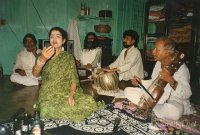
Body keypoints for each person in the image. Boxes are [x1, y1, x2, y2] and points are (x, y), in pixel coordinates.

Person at [32, 27, 104, 122]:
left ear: (63, 40)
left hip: (67, 90)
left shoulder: (68, 57)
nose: (54, 39)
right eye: (51, 36)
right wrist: (42, 60)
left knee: (89, 102)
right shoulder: (42, 54)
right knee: (46, 109)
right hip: (49, 92)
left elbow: (74, 79)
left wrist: (71, 94)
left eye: (58, 36)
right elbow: (35, 73)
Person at [124, 37, 195, 120]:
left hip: (173, 100)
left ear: (167, 52)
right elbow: (154, 82)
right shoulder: (158, 63)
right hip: (155, 97)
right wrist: (140, 82)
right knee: (127, 91)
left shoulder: (182, 69)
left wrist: (171, 80)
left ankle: (147, 107)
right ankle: (151, 107)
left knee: (175, 112)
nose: (153, 51)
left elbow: (187, 94)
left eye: (157, 50)